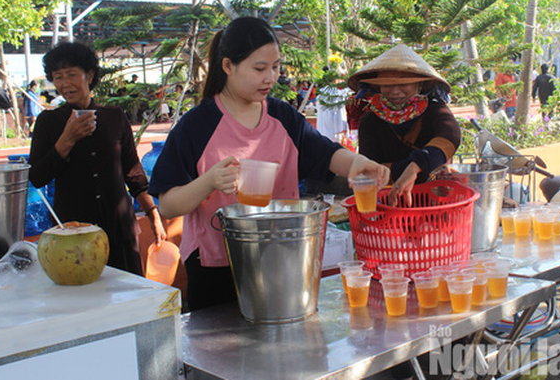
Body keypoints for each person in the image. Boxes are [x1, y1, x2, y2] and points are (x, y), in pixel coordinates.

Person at [147, 17, 389, 311]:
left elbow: (324, 153)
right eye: (259, 68)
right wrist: (209, 181)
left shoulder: (282, 117)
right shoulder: (197, 126)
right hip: (218, 265)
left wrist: (358, 163)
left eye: (275, 67)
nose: (271, 78)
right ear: (227, 66)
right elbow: (168, 205)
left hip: (281, 257)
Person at [28, 42, 166, 276]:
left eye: (71, 75)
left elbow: (133, 173)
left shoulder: (114, 117)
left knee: (129, 292)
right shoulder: (48, 122)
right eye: (57, 77)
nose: (64, 84)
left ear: (89, 75)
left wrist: (153, 214)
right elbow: (38, 176)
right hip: (73, 234)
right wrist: (66, 140)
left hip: (119, 227)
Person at [347, 43, 461, 207]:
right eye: (388, 84)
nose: (395, 91)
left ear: (419, 84)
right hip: (390, 204)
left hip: (433, 202)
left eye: (403, 84)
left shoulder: (434, 110)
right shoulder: (370, 120)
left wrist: (414, 168)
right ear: (378, 86)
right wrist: (424, 168)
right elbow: (371, 169)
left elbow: (450, 136)